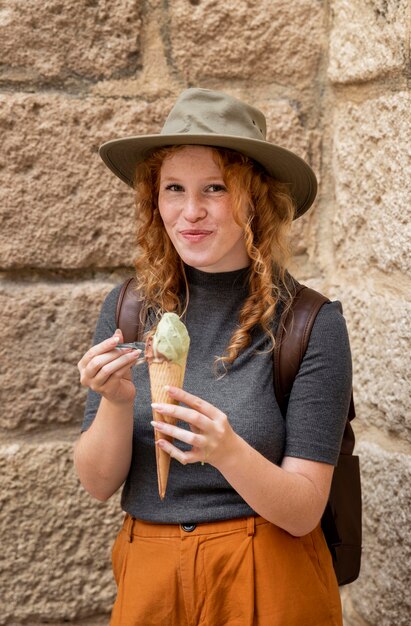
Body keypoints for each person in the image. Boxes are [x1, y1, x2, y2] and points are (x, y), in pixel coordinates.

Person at [74, 88, 352, 626]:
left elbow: (303, 511)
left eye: (216, 188)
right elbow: (98, 483)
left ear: (255, 201)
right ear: (155, 200)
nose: (191, 212)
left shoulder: (310, 323)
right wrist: (114, 401)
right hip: (149, 575)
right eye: (174, 188)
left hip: (268, 570)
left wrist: (227, 451)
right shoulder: (129, 308)